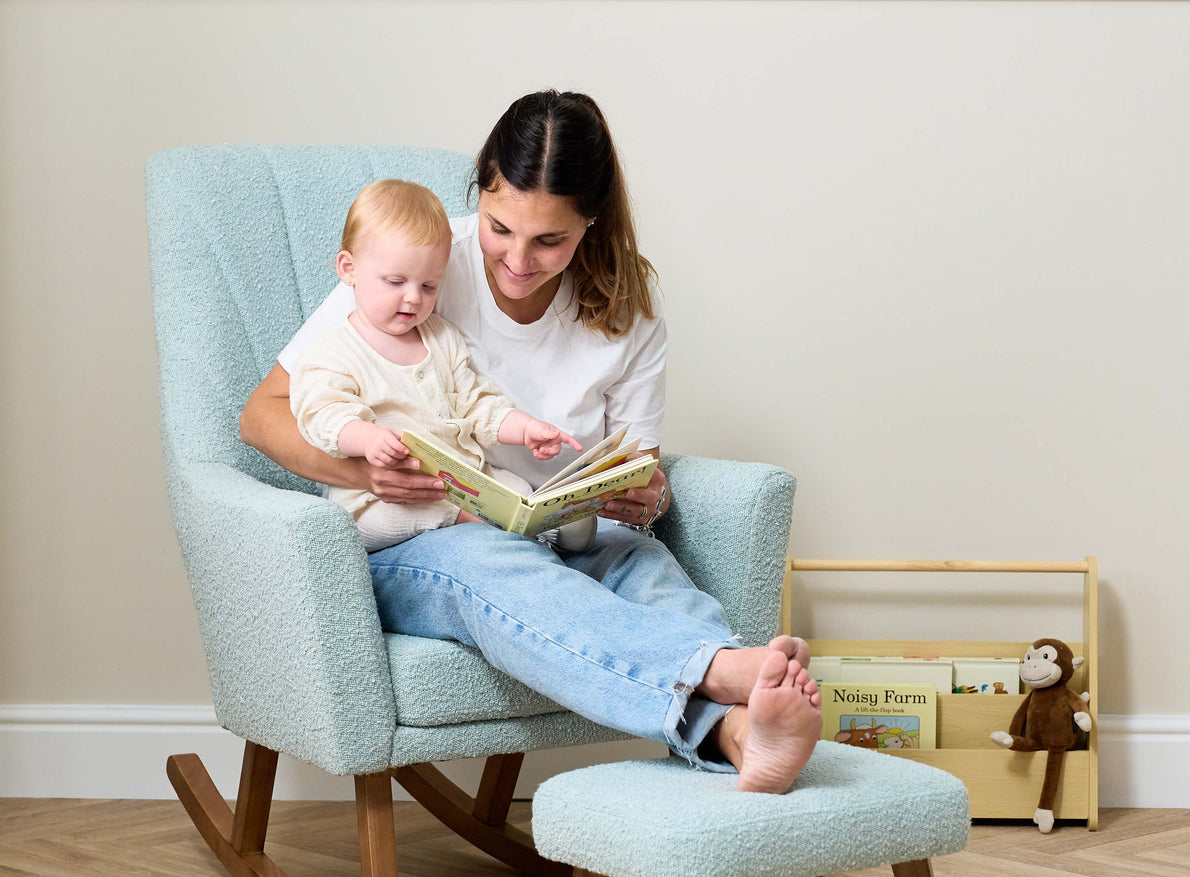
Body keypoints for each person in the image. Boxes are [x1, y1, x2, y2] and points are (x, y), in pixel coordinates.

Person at [241, 89, 822, 792]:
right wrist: (369, 474)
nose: (517, 260)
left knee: (642, 561)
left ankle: (735, 731)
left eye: (550, 240)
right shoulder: (418, 264)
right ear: (481, 189)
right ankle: (720, 665)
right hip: (423, 537)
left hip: (554, 526)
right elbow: (264, 414)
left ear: (591, 225)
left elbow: (632, 460)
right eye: (499, 227)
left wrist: (641, 491)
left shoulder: (627, 301)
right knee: (488, 560)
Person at [290, 178, 581, 552]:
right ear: (349, 268)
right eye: (395, 282)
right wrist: (367, 438)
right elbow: (321, 414)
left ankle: (551, 527)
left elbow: (476, 402)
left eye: (429, 286)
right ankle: (482, 524)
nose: (413, 298)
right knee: (378, 518)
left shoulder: (441, 337)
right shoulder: (333, 351)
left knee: (518, 490)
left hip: (463, 479)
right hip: (381, 499)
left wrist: (524, 428)